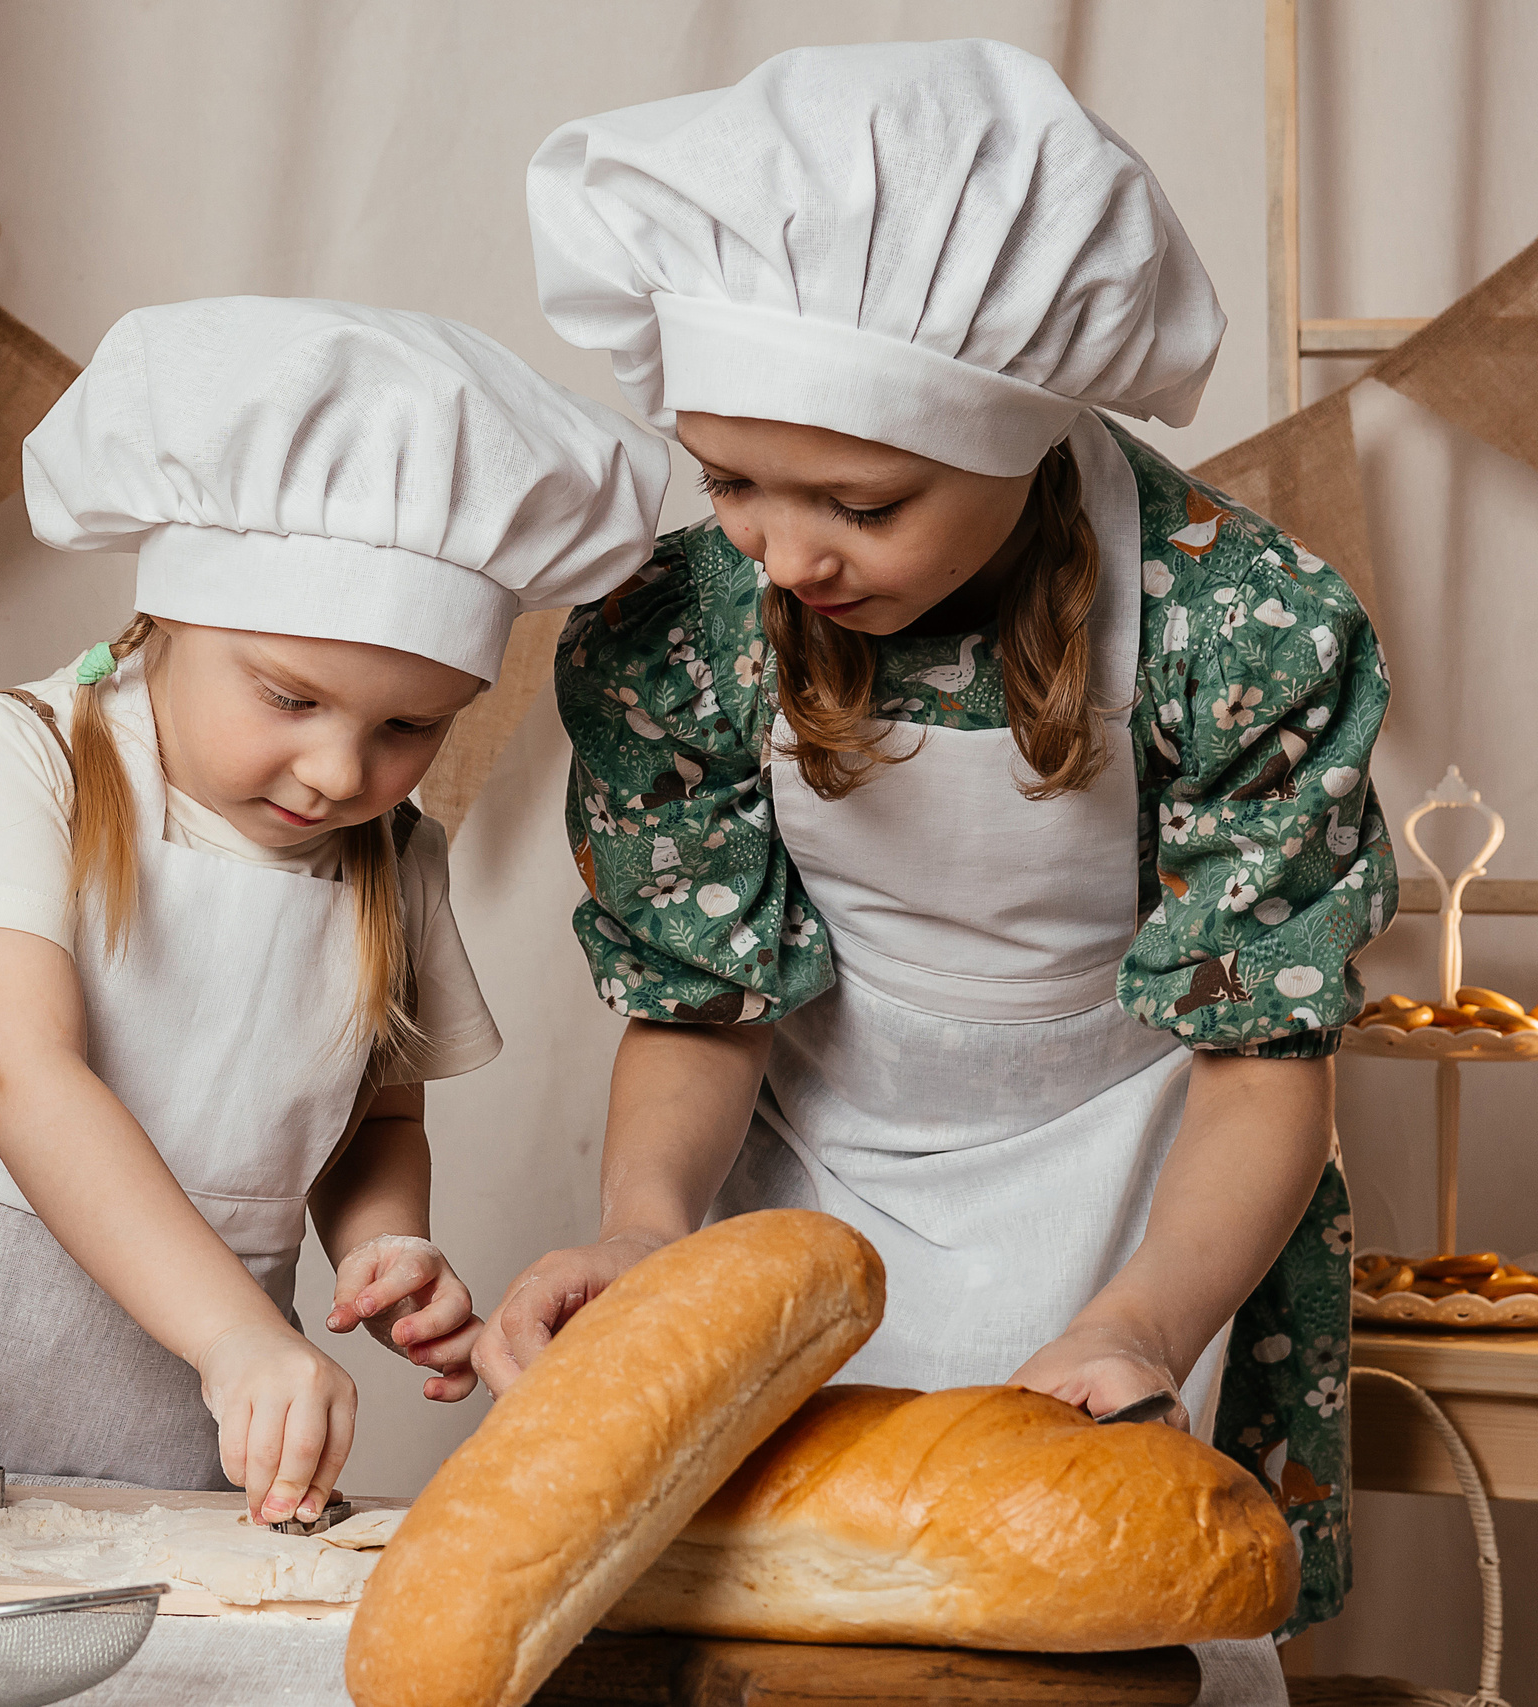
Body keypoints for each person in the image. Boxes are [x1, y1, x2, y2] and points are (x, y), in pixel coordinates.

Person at [471, 39, 1392, 1641]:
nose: (787, 547)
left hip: (1162, 1178)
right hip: (813, 1167)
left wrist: (1145, 1318)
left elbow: (1262, 1062)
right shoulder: (686, 628)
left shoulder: (1235, 622)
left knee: (1115, 1609)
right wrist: (643, 1228)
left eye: (864, 501)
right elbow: (702, 1000)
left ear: (1023, 434)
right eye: (733, 480)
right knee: (787, 1610)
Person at [0, 296, 670, 1524]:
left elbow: (372, 1123)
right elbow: (19, 1071)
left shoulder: (391, 857)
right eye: (291, 699)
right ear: (169, 620)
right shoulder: (23, 754)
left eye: (409, 726)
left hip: (166, 1414)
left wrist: (381, 1248)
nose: (342, 774)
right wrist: (235, 1337)